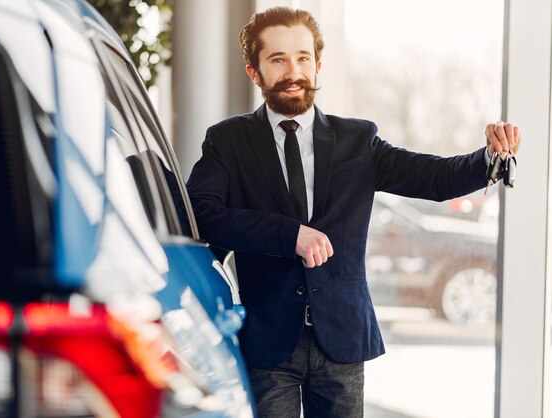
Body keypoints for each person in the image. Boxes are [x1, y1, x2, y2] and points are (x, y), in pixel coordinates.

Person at [186, 6, 521, 418]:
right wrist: (289, 234)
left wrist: (489, 155)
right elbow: (200, 214)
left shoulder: (358, 140)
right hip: (268, 342)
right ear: (254, 72)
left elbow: (434, 179)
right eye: (278, 59)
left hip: (341, 340)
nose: (294, 71)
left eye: (303, 58)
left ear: (318, 64)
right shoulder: (228, 140)